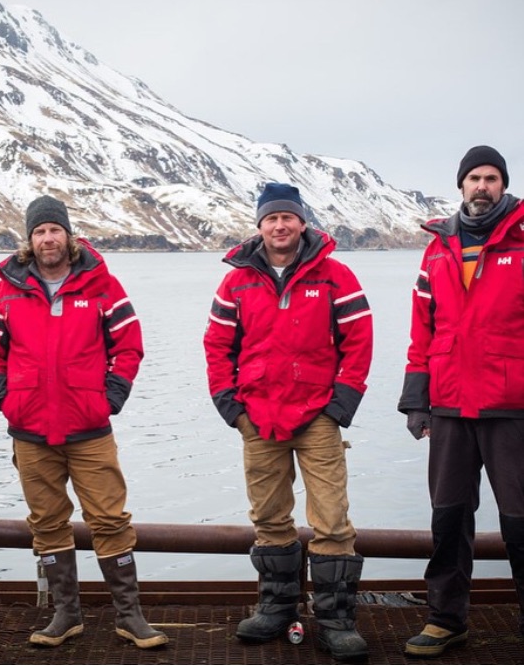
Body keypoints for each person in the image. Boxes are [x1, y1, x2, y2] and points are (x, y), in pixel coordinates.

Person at [0, 195, 167, 650]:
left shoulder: (102, 286)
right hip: (30, 428)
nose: (47, 239)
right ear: (30, 239)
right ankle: (66, 614)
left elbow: (129, 345)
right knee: (46, 521)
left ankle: (130, 616)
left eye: (54, 230)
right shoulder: (5, 290)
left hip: (89, 427)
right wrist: (4, 397)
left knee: (110, 519)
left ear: (68, 234)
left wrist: (111, 397)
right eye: (39, 232)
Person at [203, 183, 373, 661]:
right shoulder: (235, 282)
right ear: (260, 226)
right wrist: (231, 407)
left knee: (333, 520)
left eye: (288, 218)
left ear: (302, 223)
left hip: (318, 416)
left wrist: (340, 406)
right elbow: (217, 347)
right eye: (271, 219)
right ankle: (276, 608)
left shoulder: (336, 276)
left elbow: (359, 341)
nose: (280, 226)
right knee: (269, 518)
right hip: (258, 418)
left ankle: (336, 620)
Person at [398, 145, 524, 657]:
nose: (483, 186)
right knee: (448, 517)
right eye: (474, 177)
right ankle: (446, 619)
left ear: (504, 186)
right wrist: (416, 400)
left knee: (520, 521)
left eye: (492, 178)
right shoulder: (437, 249)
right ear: (460, 185)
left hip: (511, 405)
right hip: (449, 405)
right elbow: (421, 329)